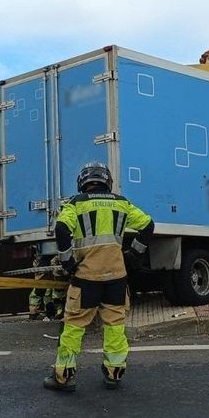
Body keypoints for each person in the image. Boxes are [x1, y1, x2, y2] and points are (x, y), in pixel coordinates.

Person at [43, 161, 153, 392]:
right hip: (116, 278)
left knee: (73, 326)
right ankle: (114, 373)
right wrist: (133, 255)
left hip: (86, 279)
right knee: (114, 326)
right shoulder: (122, 204)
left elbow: (61, 229)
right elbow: (148, 225)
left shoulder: (75, 204)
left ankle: (63, 376)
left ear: (83, 182)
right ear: (107, 181)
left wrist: (68, 262)